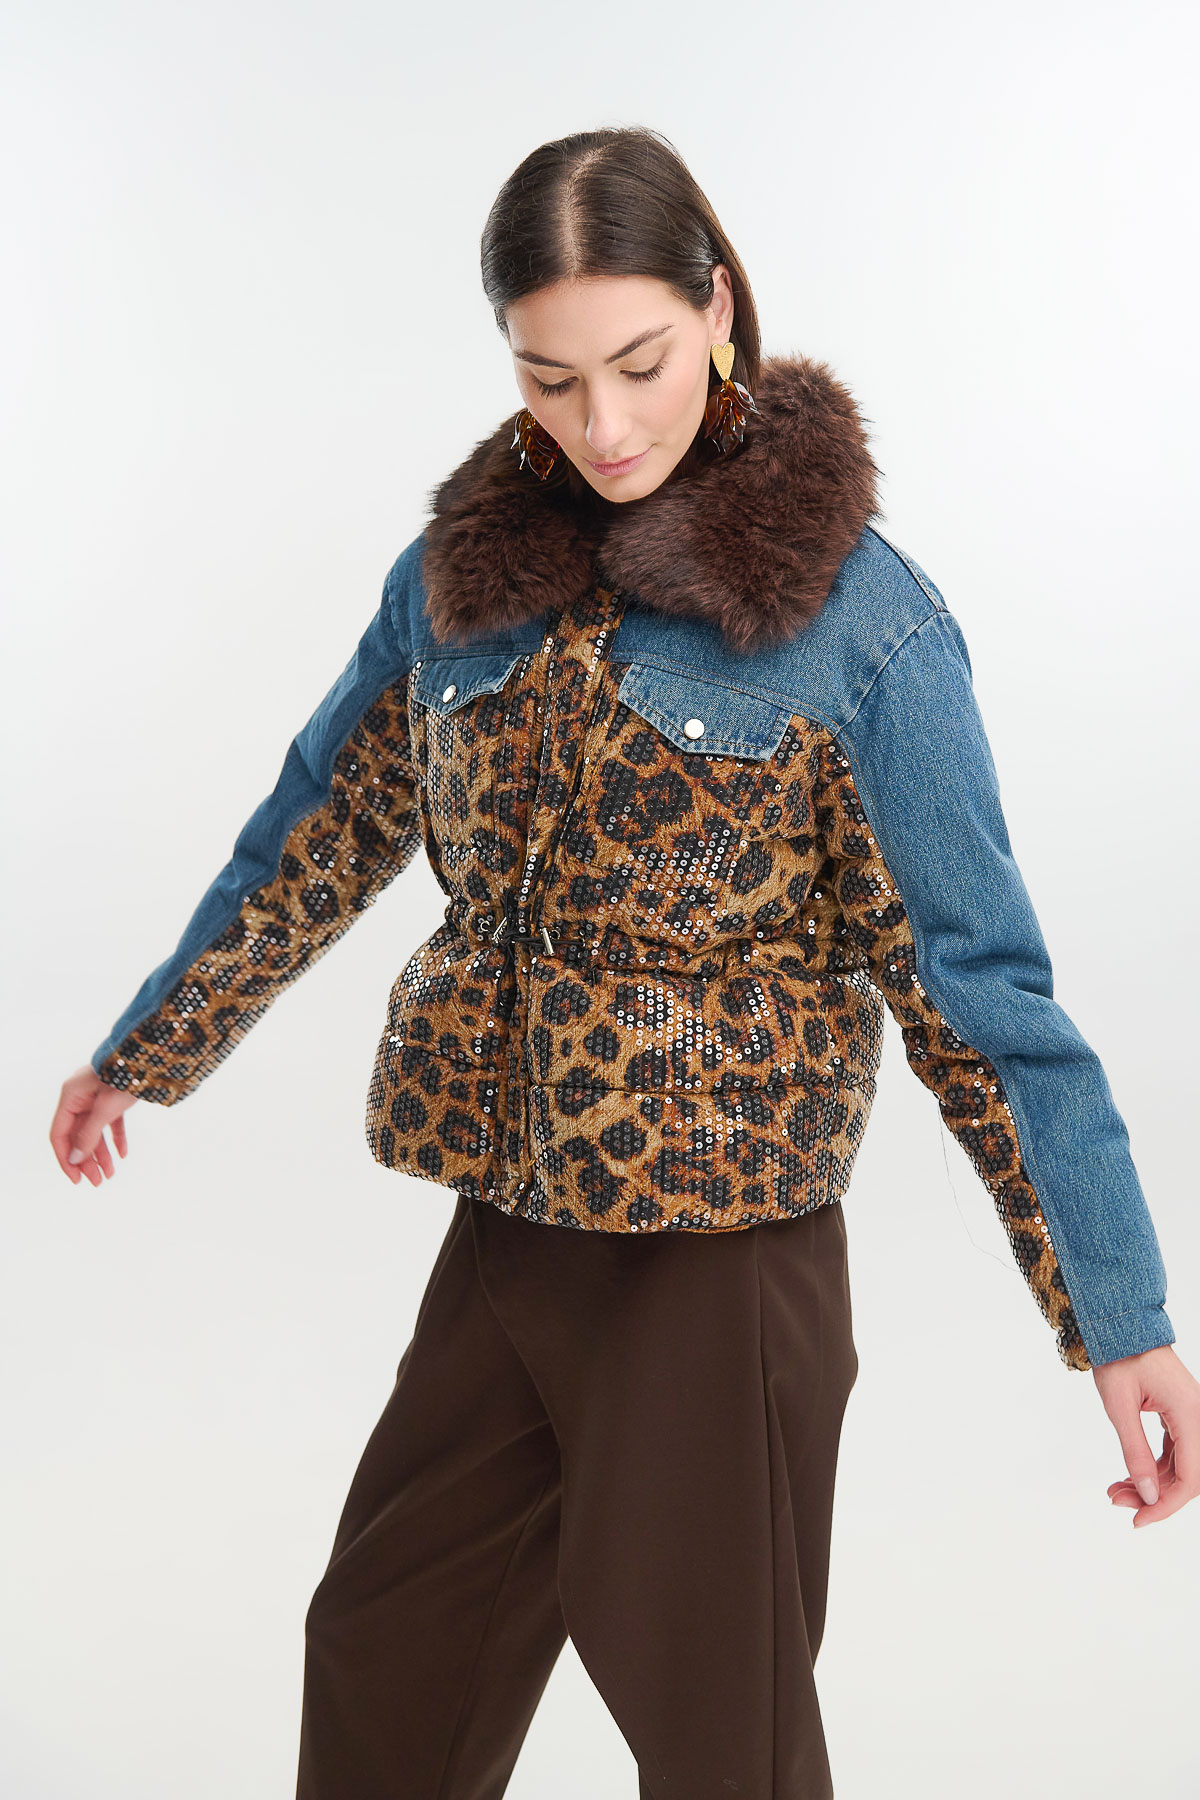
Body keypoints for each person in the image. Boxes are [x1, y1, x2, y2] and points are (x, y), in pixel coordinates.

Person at [49, 125, 1198, 1799]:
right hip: (510, 1235)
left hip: (717, 1269)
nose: (602, 426)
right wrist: (149, 1048)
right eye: (551, 377)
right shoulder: (460, 585)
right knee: (383, 1657)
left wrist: (1116, 1314)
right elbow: (316, 827)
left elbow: (982, 1000)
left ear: (717, 308)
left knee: (720, 1740)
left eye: (640, 364)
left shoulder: (860, 626)